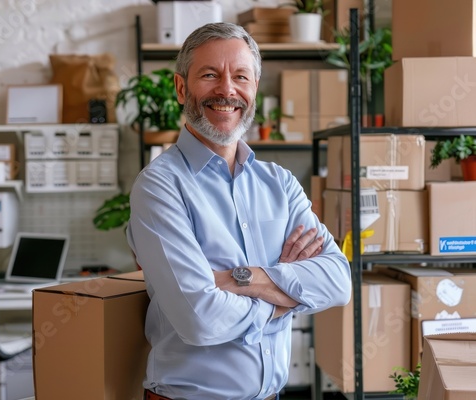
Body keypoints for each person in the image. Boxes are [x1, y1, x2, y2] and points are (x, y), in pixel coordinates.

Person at [127, 22, 351, 400]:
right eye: (210, 75)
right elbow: (200, 319)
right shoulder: (159, 186)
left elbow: (338, 281)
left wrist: (239, 279)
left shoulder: (279, 182)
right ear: (182, 88)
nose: (227, 90)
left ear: (254, 89)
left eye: (241, 76)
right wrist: (285, 301)